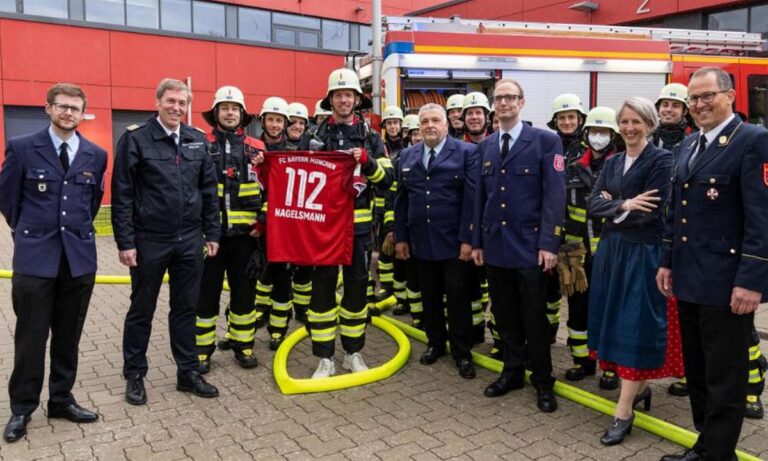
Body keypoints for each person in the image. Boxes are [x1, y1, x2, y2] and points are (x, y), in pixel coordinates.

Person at [657, 66, 768, 461]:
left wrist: (752, 281)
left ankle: (720, 454)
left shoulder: (753, 140)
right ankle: (706, 444)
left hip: (727, 284)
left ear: (730, 95)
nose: (699, 105)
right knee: (700, 372)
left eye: (707, 96)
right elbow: (675, 212)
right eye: (694, 99)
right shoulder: (686, 147)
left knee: (725, 377)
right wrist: (667, 262)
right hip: (688, 279)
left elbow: (762, 217)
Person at [0, 83, 107, 442]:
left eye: (75, 108)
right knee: (31, 338)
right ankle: (22, 409)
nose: (68, 113)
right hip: (35, 261)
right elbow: (9, 201)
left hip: (78, 261)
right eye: (62, 106)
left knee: (68, 337)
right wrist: (30, 234)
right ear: (48, 108)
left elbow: (92, 204)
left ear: (82, 112)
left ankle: (61, 399)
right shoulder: (22, 148)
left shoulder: (96, 154)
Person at [112, 78, 220, 405]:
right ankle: (134, 374)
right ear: (157, 101)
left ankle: (187, 373)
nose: (176, 107)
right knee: (142, 309)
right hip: (149, 241)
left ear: (187, 106)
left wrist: (212, 233)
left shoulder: (196, 140)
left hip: (189, 241)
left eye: (182, 102)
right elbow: (122, 194)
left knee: (185, 309)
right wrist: (125, 242)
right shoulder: (136, 139)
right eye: (170, 101)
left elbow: (208, 191)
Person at [587, 97, 679, 446]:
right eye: (624, 122)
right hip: (613, 252)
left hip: (643, 253)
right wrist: (624, 203)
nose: (628, 128)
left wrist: (613, 205)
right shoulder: (612, 161)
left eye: (636, 122)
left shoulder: (662, 159)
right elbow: (595, 204)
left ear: (650, 125)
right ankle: (637, 394)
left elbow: (652, 211)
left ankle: (623, 412)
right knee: (616, 321)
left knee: (635, 324)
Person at [471, 78, 565, 413]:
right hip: (496, 247)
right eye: (499, 98)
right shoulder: (487, 146)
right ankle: (512, 373)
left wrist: (549, 244)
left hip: (530, 248)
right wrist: (478, 242)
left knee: (534, 318)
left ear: (522, 102)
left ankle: (542, 380)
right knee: (504, 316)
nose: (505, 103)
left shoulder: (545, 141)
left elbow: (555, 197)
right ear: (493, 104)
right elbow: (480, 198)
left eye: (511, 97)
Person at [307, 68, 393, 378]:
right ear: (330, 99)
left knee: (357, 292)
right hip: (324, 230)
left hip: (358, 231)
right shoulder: (313, 136)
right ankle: (324, 359)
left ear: (357, 99)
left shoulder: (371, 137)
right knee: (322, 293)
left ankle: (352, 353)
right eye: (338, 94)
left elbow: (387, 180)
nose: (344, 99)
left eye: (349, 94)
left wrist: (368, 163)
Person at [395, 103, 478, 379]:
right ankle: (435, 344)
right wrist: (401, 238)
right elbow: (402, 200)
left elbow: (472, 200)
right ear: (418, 128)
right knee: (428, 297)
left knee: (458, 299)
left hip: (454, 244)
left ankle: (462, 352)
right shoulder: (407, 155)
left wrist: (468, 238)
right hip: (421, 242)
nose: (430, 125)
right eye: (424, 122)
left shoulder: (466, 153)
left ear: (446, 124)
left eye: (435, 120)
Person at [195, 86, 265, 373]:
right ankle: (202, 351)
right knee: (205, 294)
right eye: (224, 108)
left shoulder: (258, 149)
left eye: (234, 108)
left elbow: (272, 190)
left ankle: (243, 345)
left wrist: (262, 221)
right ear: (215, 113)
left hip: (245, 238)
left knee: (244, 294)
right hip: (211, 237)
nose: (230, 112)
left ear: (242, 114)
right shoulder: (200, 145)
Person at [560, 107, 620, 391]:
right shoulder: (572, 167)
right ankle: (581, 362)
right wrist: (562, 248)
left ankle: (611, 367)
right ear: (586, 135)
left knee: (611, 311)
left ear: (613, 135)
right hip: (577, 253)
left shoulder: (622, 168)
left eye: (604, 132)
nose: (599, 137)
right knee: (578, 309)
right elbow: (561, 210)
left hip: (612, 253)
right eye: (594, 132)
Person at [546, 93, 588, 345]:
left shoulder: (589, 148)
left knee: (576, 287)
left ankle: (579, 346)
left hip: (578, 235)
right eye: (562, 117)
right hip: (551, 230)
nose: (567, 121)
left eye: (571, 116)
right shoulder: (549, 145)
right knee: (549, 288)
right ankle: (549, 331)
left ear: (580, 119)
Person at [653, 83, 690, 156]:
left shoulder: (692, 139)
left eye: (675, 106)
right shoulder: (648, 136)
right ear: (658, 108)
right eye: (665, 105)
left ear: (685, 111)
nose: (669, 109)